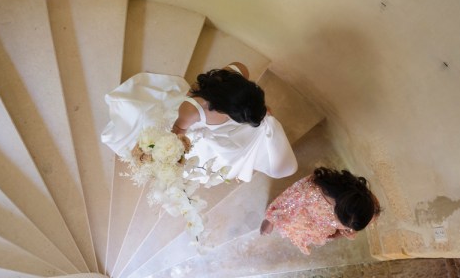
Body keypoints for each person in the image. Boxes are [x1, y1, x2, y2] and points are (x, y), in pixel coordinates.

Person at [101, 62, 298, 182]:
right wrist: (172, 152)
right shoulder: (191, 111)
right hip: (195, 128)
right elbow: (177, 130)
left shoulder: (239, 70)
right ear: (222, 109)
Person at [260, 167, 381, 255]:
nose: (348, 229)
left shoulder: (369, 204)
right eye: (344, 224)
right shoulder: (309, 192)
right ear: (336, 211)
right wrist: (270, 219)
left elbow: (337, 232)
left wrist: (344, 234)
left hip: (319, 226)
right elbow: (286, 201)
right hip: (304, 216)